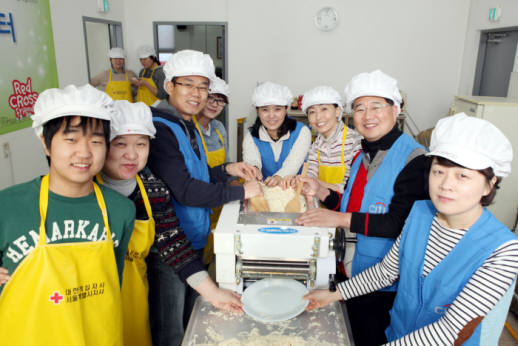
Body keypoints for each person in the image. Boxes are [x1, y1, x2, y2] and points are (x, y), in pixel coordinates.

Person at [304, 113, 518, 345]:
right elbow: (385, 272)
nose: (446, 185)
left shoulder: (503, 251)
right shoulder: (420, 213)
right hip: (397, 335)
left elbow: (450, 331)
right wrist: (334, 294)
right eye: (438, 171)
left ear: (489, 184)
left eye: (462, 176)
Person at [296, 70, 429, 346]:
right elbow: (348, 205)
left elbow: (397, 224)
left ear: (396, 109)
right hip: (349, 269)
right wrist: (321, 191)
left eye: (376, 106)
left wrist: (337, 217)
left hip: (383, 283)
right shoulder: (362, 154)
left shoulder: (414, 159)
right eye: (359, 108)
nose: (368, 115)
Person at [99, 100, 242, 346]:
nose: (132, 155)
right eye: (120, 144)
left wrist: (213, 294)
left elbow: (173, 243)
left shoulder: (153, 189)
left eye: (141, 144)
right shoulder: (86, 190)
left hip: (133, 294)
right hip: (94, 298)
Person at [0, 84, 135, 345]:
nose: (84, 153)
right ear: (46, 143)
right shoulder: (7, 206)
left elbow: (114, 278)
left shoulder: (120, 210)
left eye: (96, 141)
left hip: (99, 336)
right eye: (71, 139)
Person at [147, 49, 262, 344]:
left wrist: (226, 169)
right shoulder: (160, 128)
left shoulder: (189, 124)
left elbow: (197, 174)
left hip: (193, 239)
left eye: (203, 86)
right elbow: (185, 190)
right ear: (170, 86)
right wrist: (240, 190)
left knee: (189, 319)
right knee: (171, 329)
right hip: (169, 249)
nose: (197, 94)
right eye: (188, 84)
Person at [243, 81, 312, 187]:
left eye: (277, 109)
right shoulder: (251, 137)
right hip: (265, 191)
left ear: (286, 109)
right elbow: (252, 161)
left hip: (296, 190)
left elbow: (293, 164)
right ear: (257, 111)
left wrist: (278, 177)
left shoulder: (302, 132)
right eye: (265, 110)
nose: (271, 116)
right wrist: (254, 170)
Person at [302, 85, 362, 193]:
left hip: (345, 207)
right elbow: (310, 173)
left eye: (324, 109)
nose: (318, 117)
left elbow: (350, 187)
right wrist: (303, 181)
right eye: (312, 112)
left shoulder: (355, 142)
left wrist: (315, 183)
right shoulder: (316, 145)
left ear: (338, 111)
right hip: (322, 203)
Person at [193, 76, 230, 168]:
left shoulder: (219, 127)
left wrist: (233, 180)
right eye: (210, 98)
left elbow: (226, 163)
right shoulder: (188, 127)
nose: (214, 104)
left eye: (220, 100)